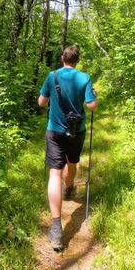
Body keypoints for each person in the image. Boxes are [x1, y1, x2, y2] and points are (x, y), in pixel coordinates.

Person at [38, 45, 97, 251]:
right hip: (76, 130)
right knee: (72, 162)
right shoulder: (85, 78)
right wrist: (93, 95)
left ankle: (56, 228)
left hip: (54, 130)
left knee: (55, 172)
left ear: (63, 58)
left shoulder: (52, 75)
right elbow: (91, 106)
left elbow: (41, 103)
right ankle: (69, 187)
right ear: (77, 61)